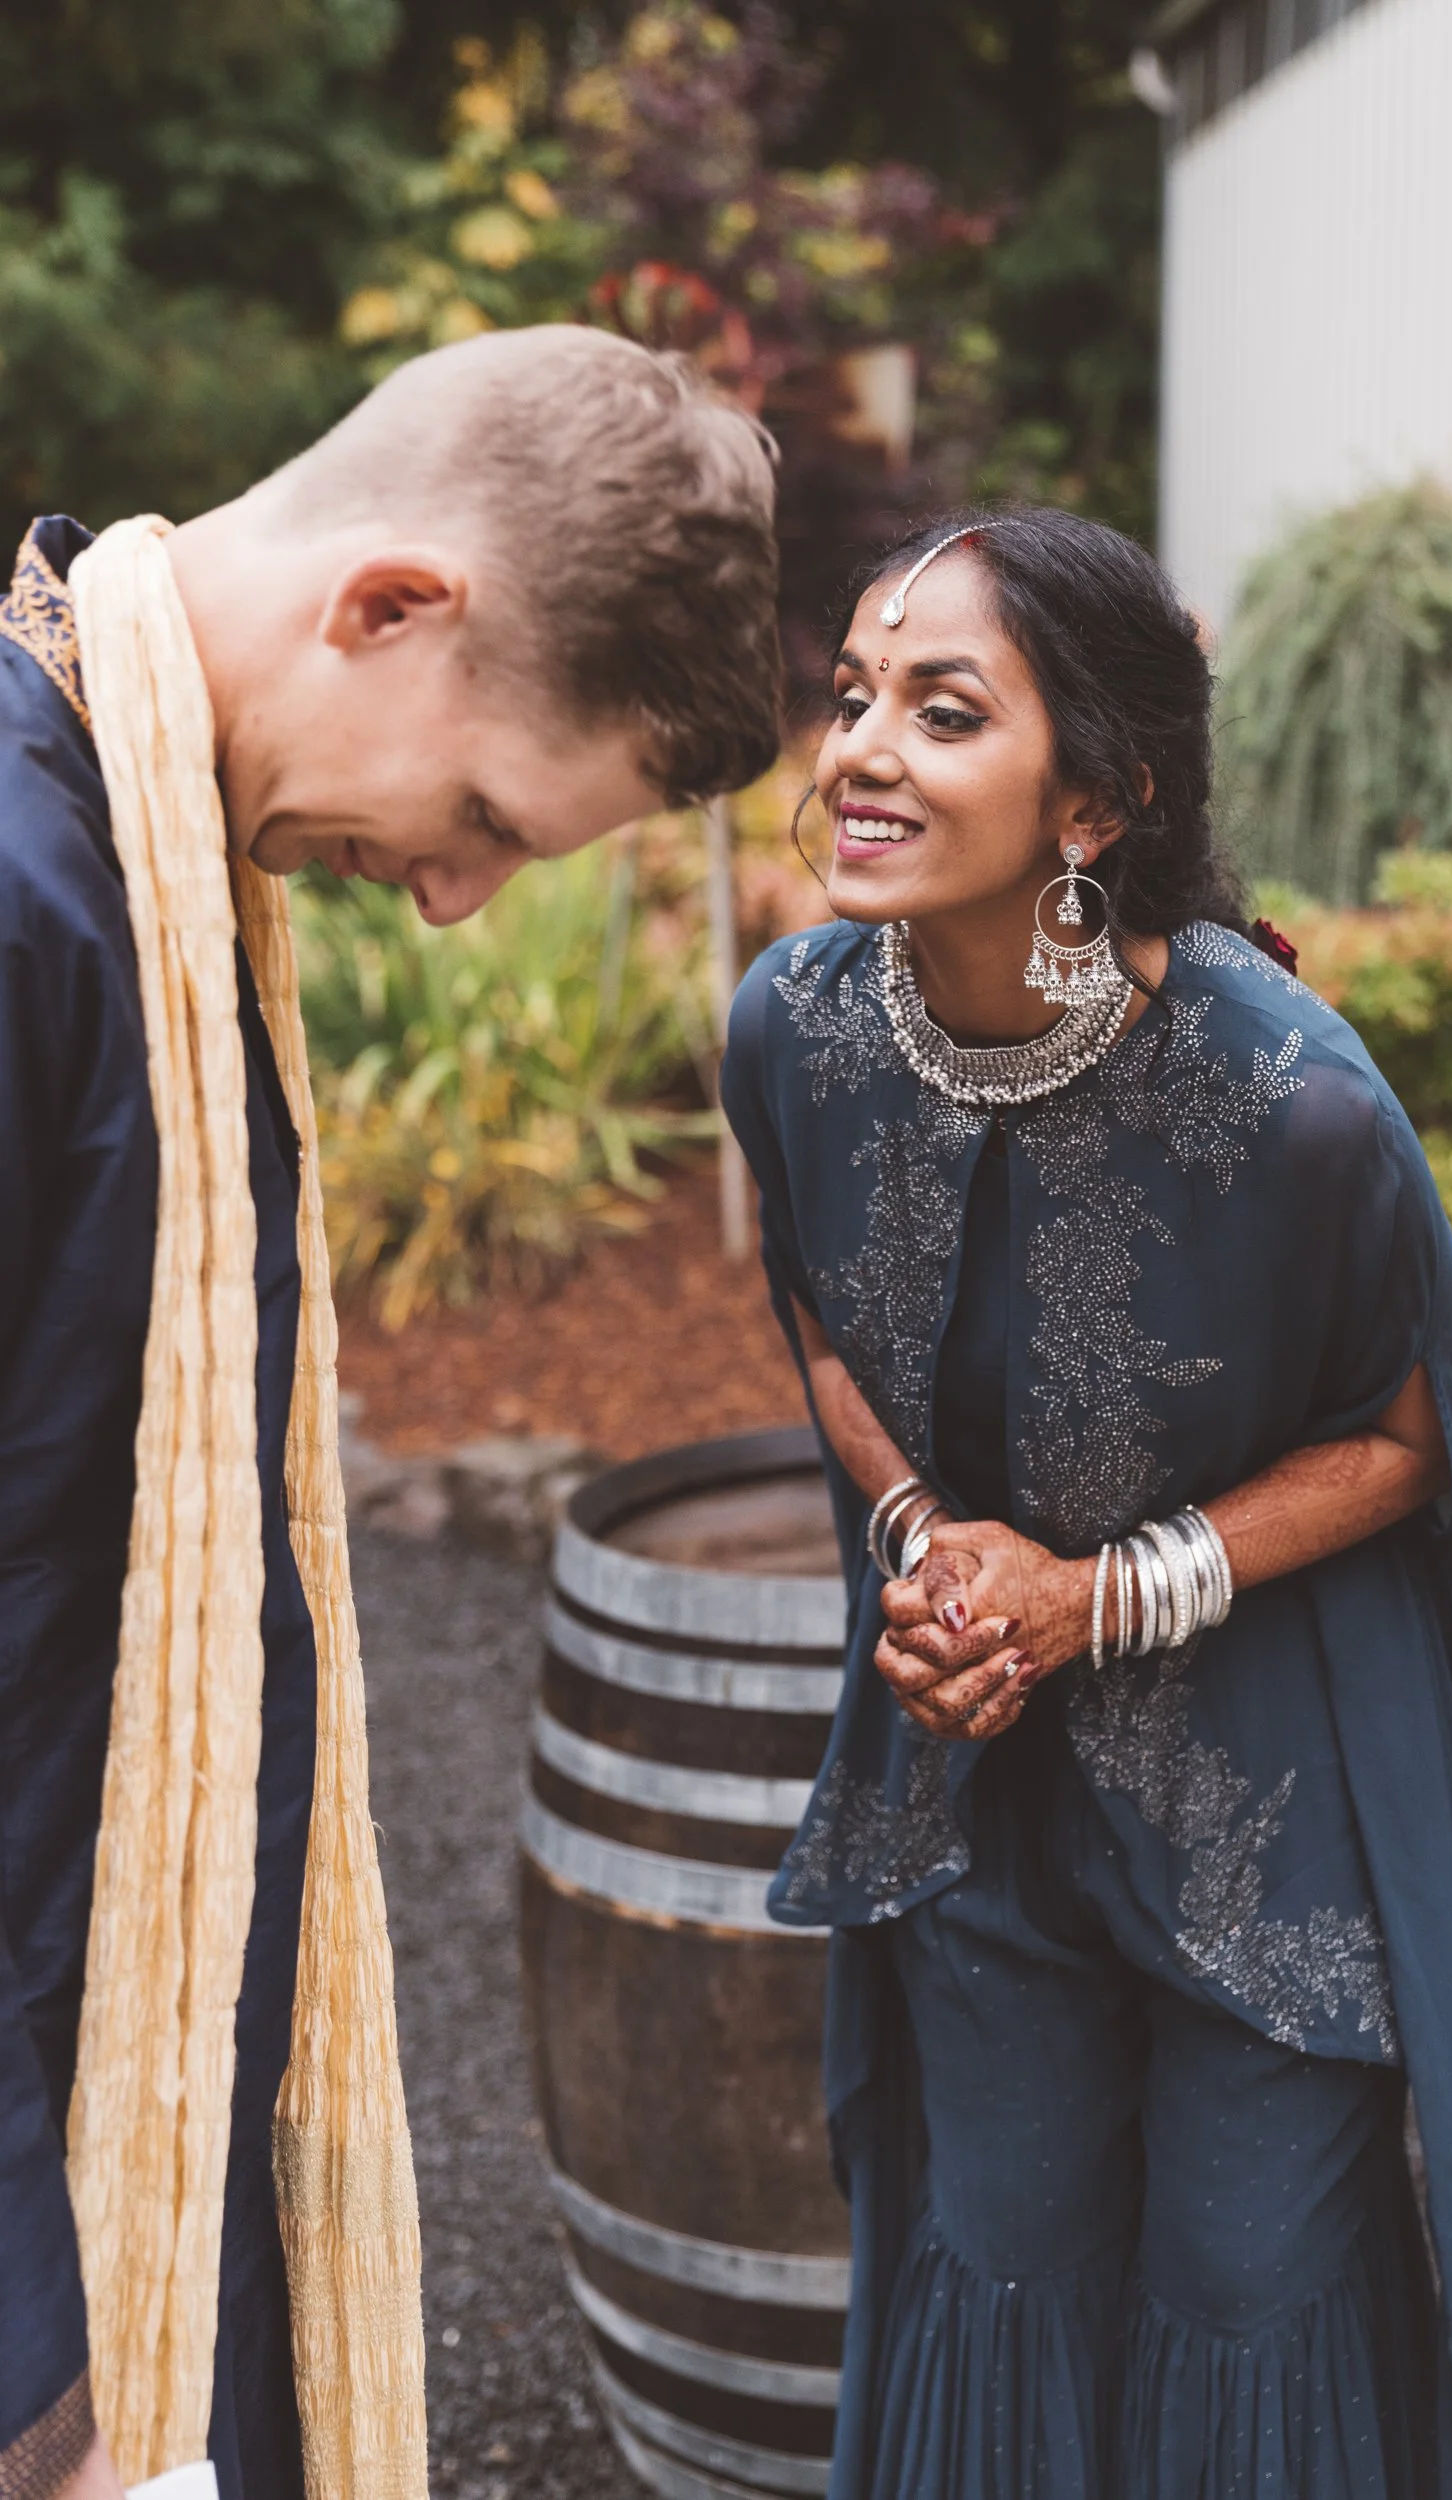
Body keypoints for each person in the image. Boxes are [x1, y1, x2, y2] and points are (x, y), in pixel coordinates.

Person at [722, 507, 1452, 2500]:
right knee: (1006, 2243)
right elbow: (823, 1311)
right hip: (976, 1765)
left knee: (1246, 2280)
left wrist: (1093, 1598)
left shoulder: (1292, 1097)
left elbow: (1407, 1439)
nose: (861, 745)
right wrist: (924, 1551)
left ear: (1096, 799)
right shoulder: (789, 1031)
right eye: (854, 692)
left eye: (942, 710)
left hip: (1271, 1789)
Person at [0, 324, 779, 2500]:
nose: (448, 899)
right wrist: (38, 2392)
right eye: (480, 818)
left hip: (140, 2114)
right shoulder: (26, 901)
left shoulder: (145, 870)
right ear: (393, 605)